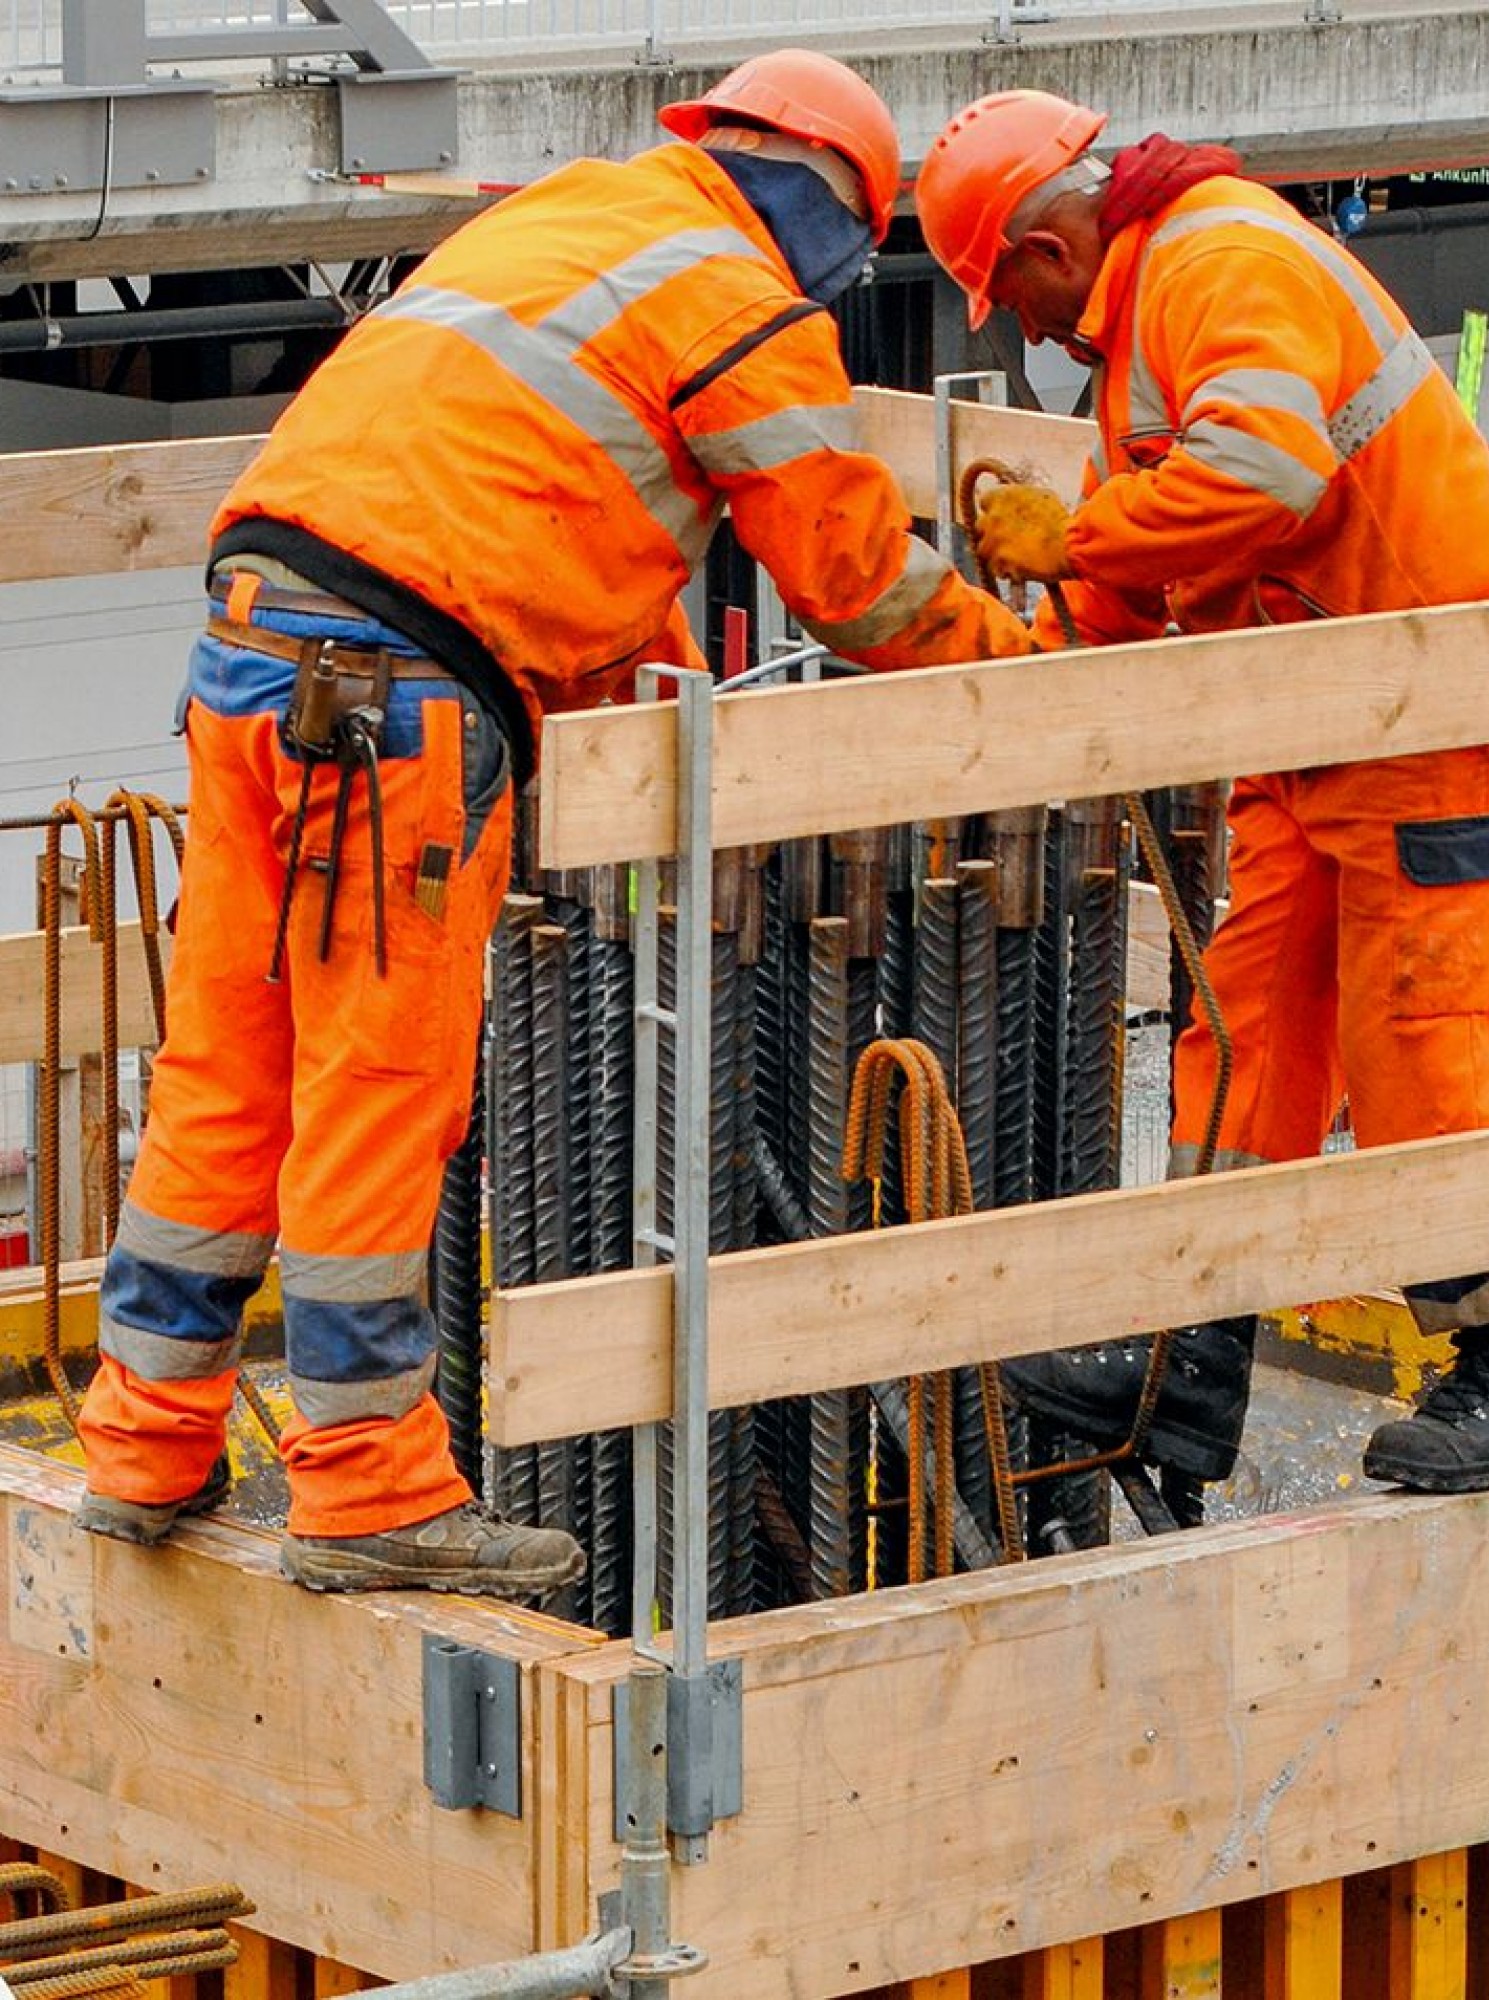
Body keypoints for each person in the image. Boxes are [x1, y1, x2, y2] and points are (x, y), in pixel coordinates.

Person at [74, 50, 1034, 1597]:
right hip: (394, 699)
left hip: (254, 643)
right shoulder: (743, 302)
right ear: (836, 214)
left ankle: (143, 1441)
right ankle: (368, 1489)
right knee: (379, 1083)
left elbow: (546, 517)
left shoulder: (574, 219)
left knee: (227, 1066)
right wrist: (1040, 668)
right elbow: (860, 590)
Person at [914, 90, 1489, 1497]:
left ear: (1050, 242)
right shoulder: (1139, 328)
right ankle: (1191, 1362)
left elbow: (1264, 470)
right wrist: (1017, 663)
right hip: (1315, 719)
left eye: (1012, 296)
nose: (1021, 330)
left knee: (1421, 1039)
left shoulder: (1221, 261)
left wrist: (1078, 534)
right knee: (1242, 1034)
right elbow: (1140, 566)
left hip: (1436, 704)